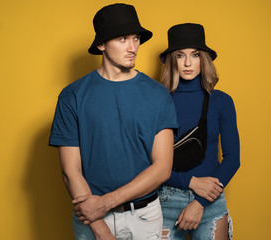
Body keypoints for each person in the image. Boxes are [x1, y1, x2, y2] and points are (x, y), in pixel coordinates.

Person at [49, 3, 178, 240]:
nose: (133, 47)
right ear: (101, 45)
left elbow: (162, 168)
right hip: (91, 219)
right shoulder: (72, 96)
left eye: (136, 38)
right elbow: (71, 170)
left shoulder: (158, 95)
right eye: (122, 39)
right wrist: (99, 227)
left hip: (144, 217)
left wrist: (105, 203)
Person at [158, 23, 240, 240]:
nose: (187, 63)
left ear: (203, 59)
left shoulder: (221, 101)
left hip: (210, 200)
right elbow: (148, 160)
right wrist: (191, 182)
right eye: (180, 55)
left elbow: (233, 159)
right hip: (166, 199)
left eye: (194, 55)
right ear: (171, 60)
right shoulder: (157, 101)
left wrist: (200, 202)